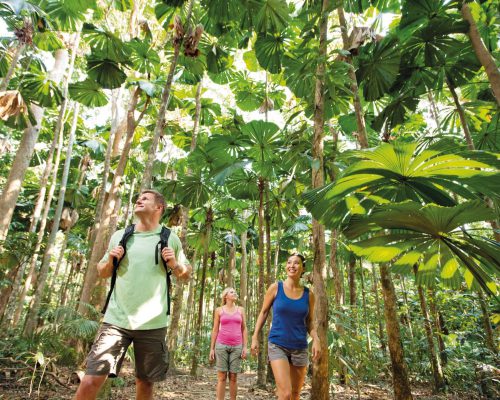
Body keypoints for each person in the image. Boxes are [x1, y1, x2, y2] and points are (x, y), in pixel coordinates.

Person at [75, 190, 191, 400]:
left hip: (153, 323)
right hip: (116, 321)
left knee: (145, 383)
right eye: (138, 198)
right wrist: (111, 260)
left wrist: (174, 264)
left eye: (145, 198)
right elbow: (102, 272)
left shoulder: (169, 238)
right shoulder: (121, 235)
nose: (139, 200)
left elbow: (186, 274)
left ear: (159, 208)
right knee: (91, 380)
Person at [250, 254, 320, 400]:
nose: (292, 265)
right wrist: (255, 336)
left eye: (296, 263)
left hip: (299, 347)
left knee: (294, 394)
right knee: (286, 393)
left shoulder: (309, 295)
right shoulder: (276, 288)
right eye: (289, 262)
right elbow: (263, 313)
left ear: (303, 268)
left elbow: (310, 321)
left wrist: (316, 339)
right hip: (277, 344)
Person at [209, 287, 248, 400]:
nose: (234, 293)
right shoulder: (219, 310)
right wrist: (212, 348)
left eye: (235, 291)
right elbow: (215, 329)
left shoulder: (241, 310)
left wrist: (245, 347)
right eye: (231, 292)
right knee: (221, 377)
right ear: (225, 296)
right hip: (221, 345)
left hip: (237, 346)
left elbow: (244, 329)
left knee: (233, 376)